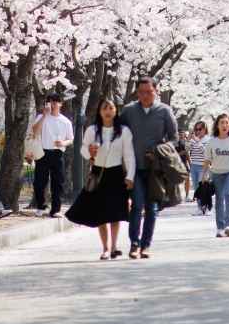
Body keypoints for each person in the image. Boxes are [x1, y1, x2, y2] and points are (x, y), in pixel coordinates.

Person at [67, 98, 136, 259]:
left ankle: (114, 246)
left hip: (117, 174)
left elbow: (129, 156)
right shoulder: (92, 130)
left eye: (111, 108)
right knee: (101, 213)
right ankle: (105, 248)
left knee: (115, 212)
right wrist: (90, 152)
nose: (108, 111)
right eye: (104, 108)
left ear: (115, 111)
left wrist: (130, 176)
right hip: (99, 174)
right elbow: (83, 150)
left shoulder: (123, 131)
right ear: (99, 111)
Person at [121, 76, 179, 260]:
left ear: (156, 91)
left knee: (152, 208)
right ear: (137, 93)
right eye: (141, 92)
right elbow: (118, 133)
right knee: (137, 205)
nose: (145, 96)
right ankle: (134, 244)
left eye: (149, 92)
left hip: (156, 169)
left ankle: (146, 244)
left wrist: (160, 150)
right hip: (134, 167)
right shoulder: (129, 111)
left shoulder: (164, 111)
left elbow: (174, 138)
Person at [33, 94, 74, 217]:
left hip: (57, 153)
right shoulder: (41, 117)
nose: (53, 104)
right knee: (39, 181)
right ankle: (41, 206)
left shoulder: (65, 121)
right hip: (43, 152)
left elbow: (70, 139)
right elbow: (35, 131)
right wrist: (44, 116)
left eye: (56, 102)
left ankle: (56, 209)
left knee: (58, 182)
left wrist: (63, 143)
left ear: (61, 104)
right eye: (50, 102)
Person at [186, 120, 210, 211]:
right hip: (194, 166)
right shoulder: (193, 139)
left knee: (203, 187)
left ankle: (206, 207)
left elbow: (206, 153)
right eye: (196, 129)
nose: (198, 131)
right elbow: (187, 149)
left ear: (205, 129)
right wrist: (188, 140)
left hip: (203, 167)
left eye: (200, 129)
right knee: (196, 188)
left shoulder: (208, 139)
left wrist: (198, 141)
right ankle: (200, 207)